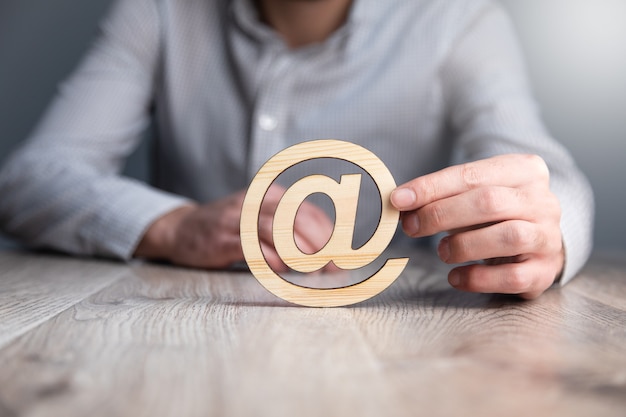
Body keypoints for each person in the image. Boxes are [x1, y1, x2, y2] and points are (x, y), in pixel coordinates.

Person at [0, 0, 594, 299]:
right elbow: (30, 178)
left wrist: (545, 231)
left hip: (389, 342)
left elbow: (547, 177)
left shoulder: (455, 18)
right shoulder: (161, 11)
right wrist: (172, 227)